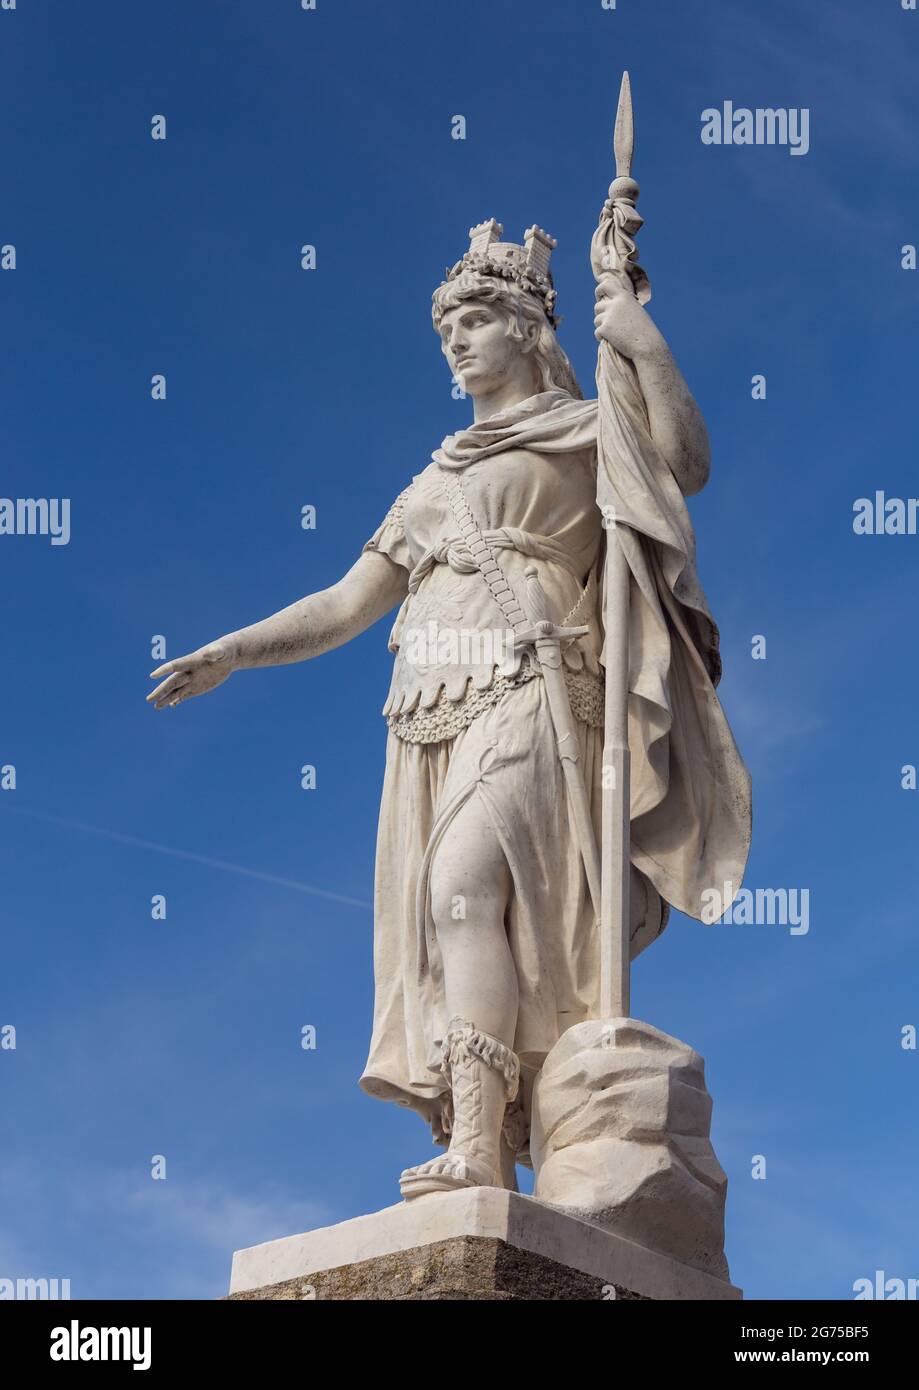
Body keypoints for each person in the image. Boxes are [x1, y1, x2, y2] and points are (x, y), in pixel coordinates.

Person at [147, 222, 750, 1199]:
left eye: (476, 320)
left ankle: (478, 1144)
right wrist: (234, 651)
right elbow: (344, 604)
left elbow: (683, 460)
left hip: (537, 686)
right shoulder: (431, 480)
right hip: (429, 709)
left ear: (525, 327)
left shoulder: (583, 428)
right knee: (454, 912)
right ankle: (484, 1145)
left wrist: (638, 336)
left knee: (463, 883)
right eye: (448, 329)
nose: (458, 342)